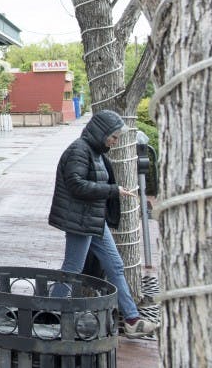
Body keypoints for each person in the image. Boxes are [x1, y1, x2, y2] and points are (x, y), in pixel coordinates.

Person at [48, 110, 160, 339]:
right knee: (72, 269)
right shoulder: (79, 150)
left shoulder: (96, 152)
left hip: (94, 220)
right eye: (114, 136)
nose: (115, 141)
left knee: (116, 266)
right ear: (102, 132)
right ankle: (49, 311)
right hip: (81, 221)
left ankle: (131, 319)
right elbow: (76, 185)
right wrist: (112, 190)